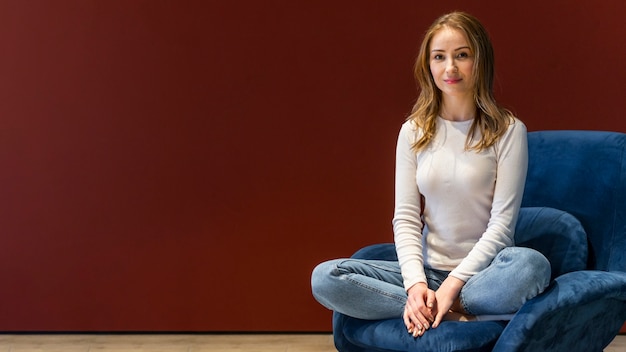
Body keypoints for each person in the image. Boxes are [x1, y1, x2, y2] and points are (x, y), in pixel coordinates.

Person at [310, 11, 551, 339]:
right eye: (440, 57)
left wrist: (453, 286)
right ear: (428, 65)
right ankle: (449, 313)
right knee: (325, 278)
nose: (450, 68)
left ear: (480, 61)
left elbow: (502, 227)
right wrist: (415, 287)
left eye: (462, 55)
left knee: (530, 268)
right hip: (428, 273)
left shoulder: (508, 131)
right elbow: (407, 219)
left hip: (484, 276)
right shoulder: (413, 132)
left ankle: (447, 305)